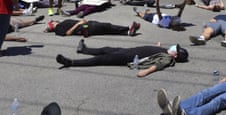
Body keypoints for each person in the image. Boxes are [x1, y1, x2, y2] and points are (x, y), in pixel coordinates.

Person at [56, 41, 189, 78]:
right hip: (128, 51)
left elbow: (159, 65)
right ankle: (83, 49)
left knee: (102, 59)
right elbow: (152, 53)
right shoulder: (165, 51)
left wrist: (146, 72)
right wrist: (157, 47)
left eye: (175, 49)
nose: (173, 47)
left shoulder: (167, 58)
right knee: (106, 48)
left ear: (175, 56)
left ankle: (71, 62)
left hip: (128, 57)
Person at [45, 18, 140, 36]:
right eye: (53, 22)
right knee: (107, 26)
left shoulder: (61, 24)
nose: (55, 20)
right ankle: (128, 28)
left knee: (106, 30)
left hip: (86, 24)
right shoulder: (58, 29)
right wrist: (78, 24)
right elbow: (68, 33)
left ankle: (128, 33)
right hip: (83, 28)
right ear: (52, 25)